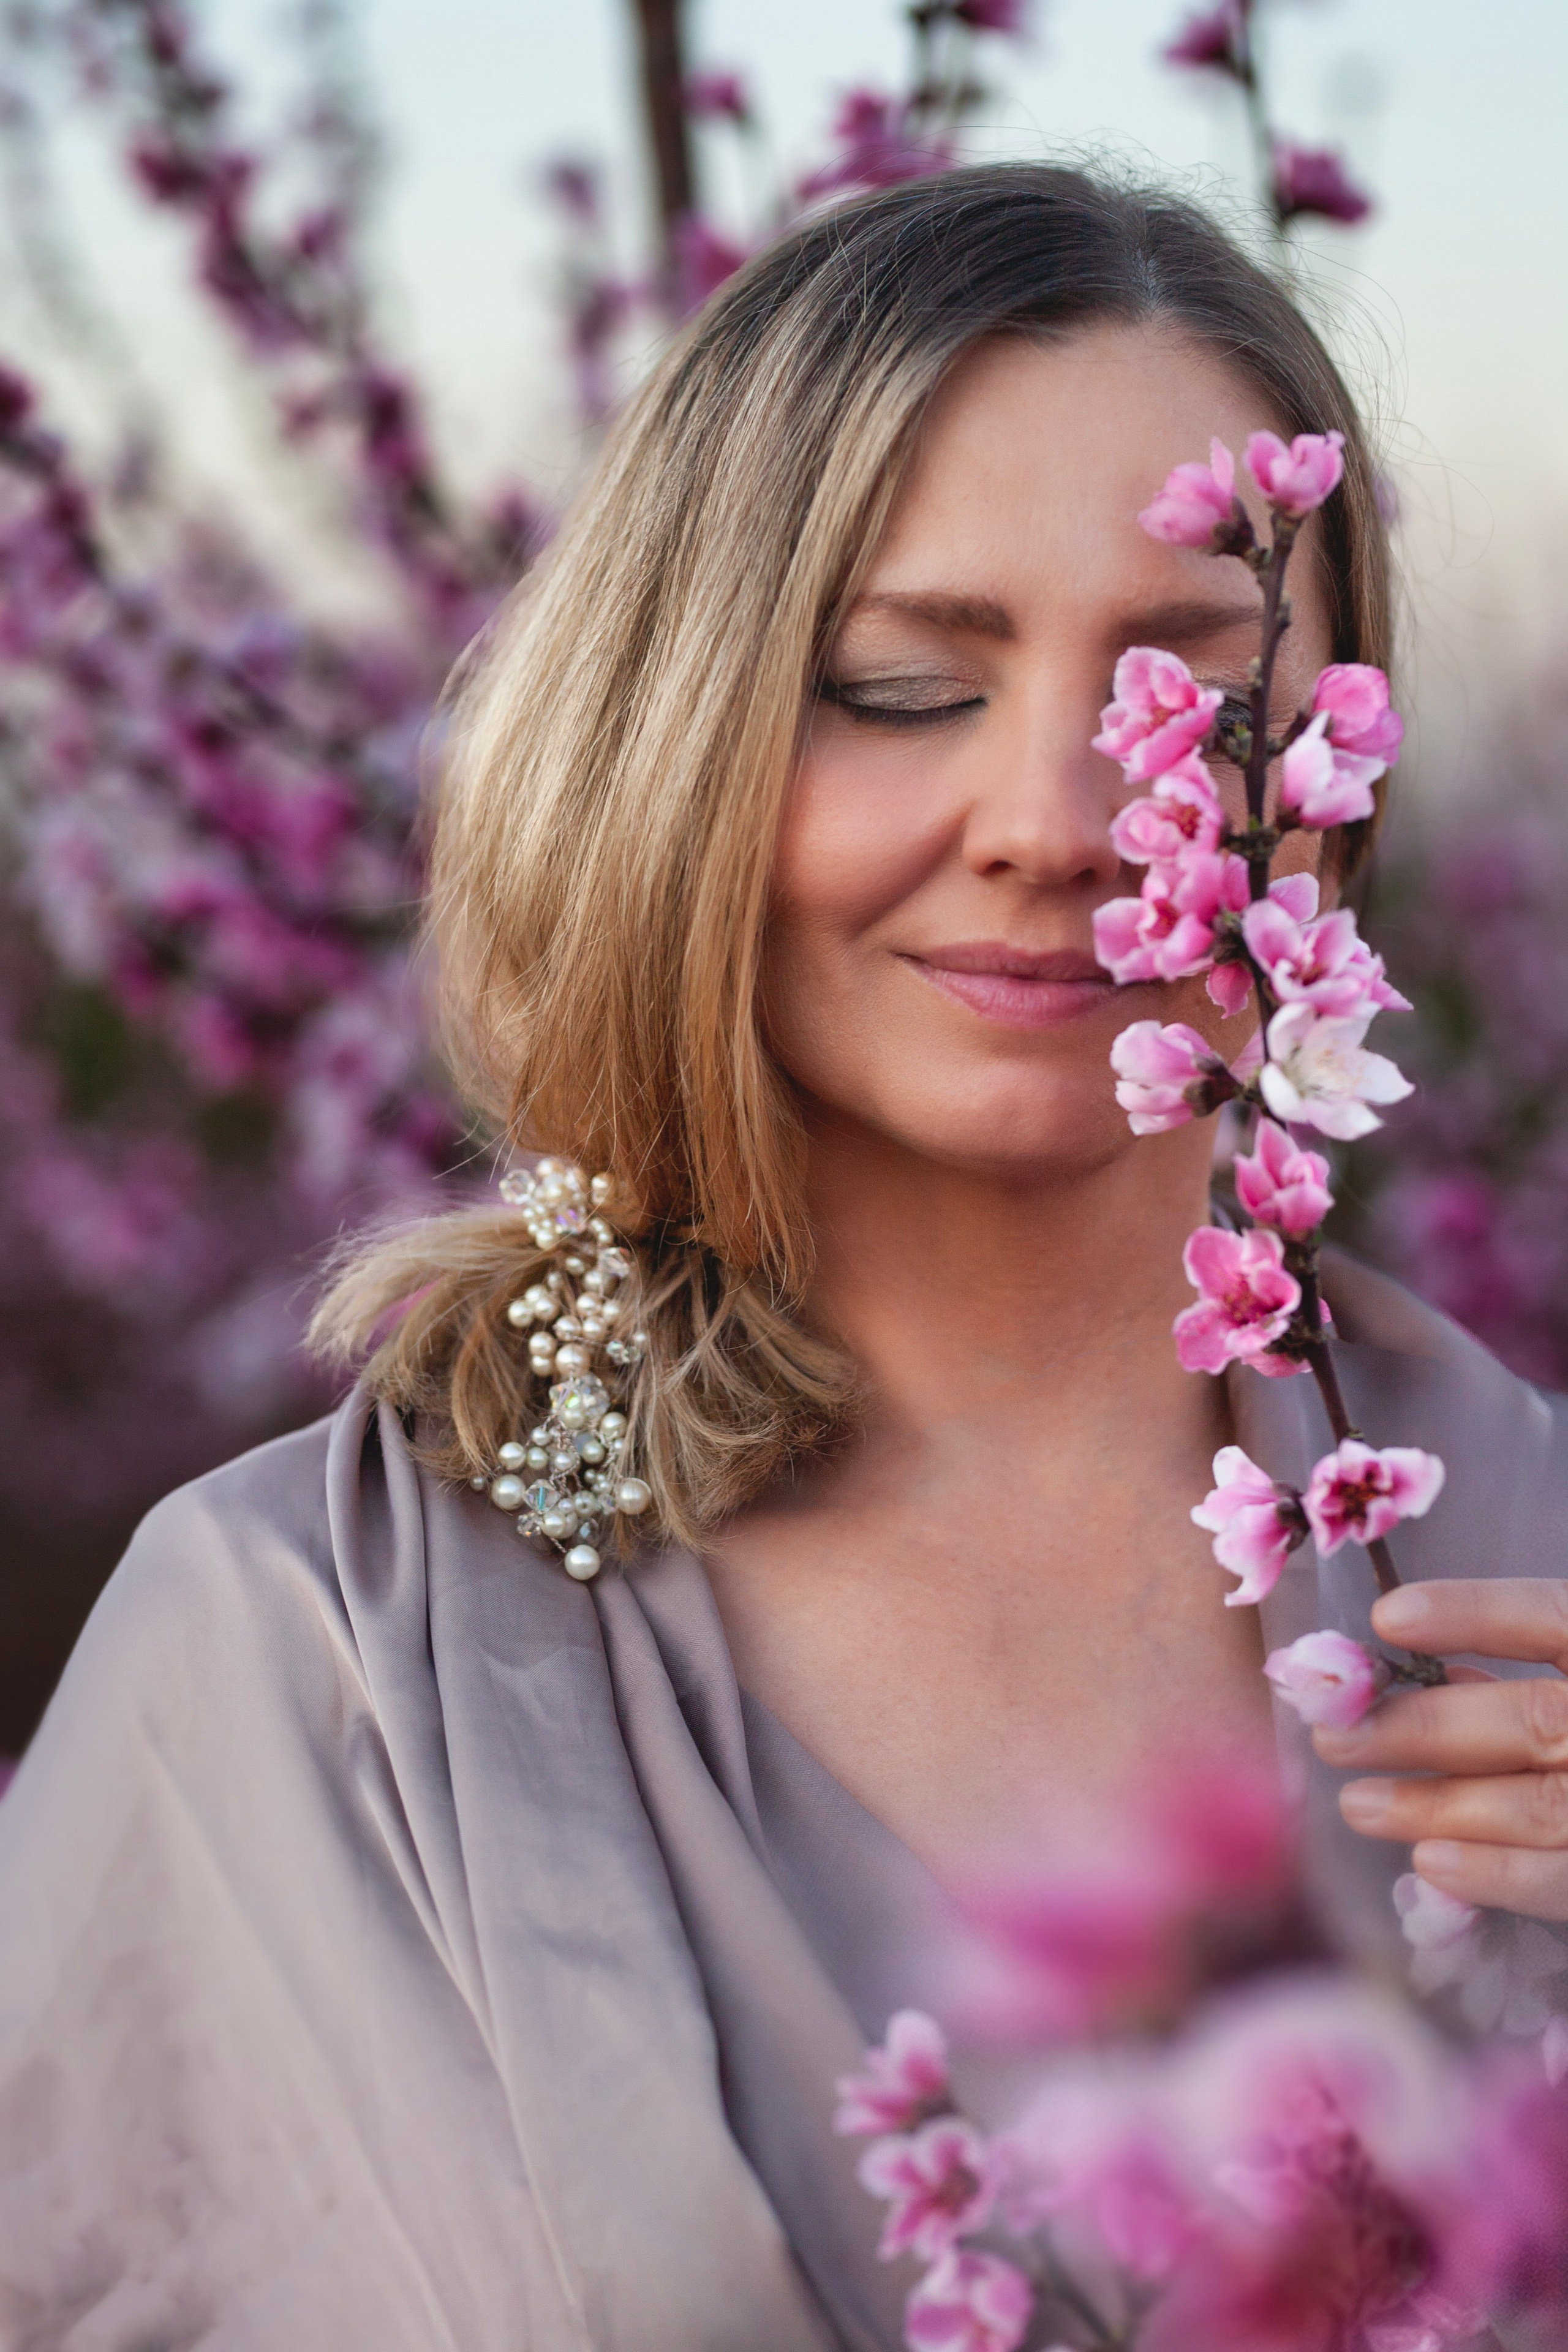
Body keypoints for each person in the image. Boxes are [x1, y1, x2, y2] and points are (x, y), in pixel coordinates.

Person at [0, 162, 1564, 2351]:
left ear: (1336, 764)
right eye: (899, 688)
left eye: (1197, 703)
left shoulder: (1528, 1559)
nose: (1052, 819)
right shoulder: (299, 1670)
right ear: (683, 743)